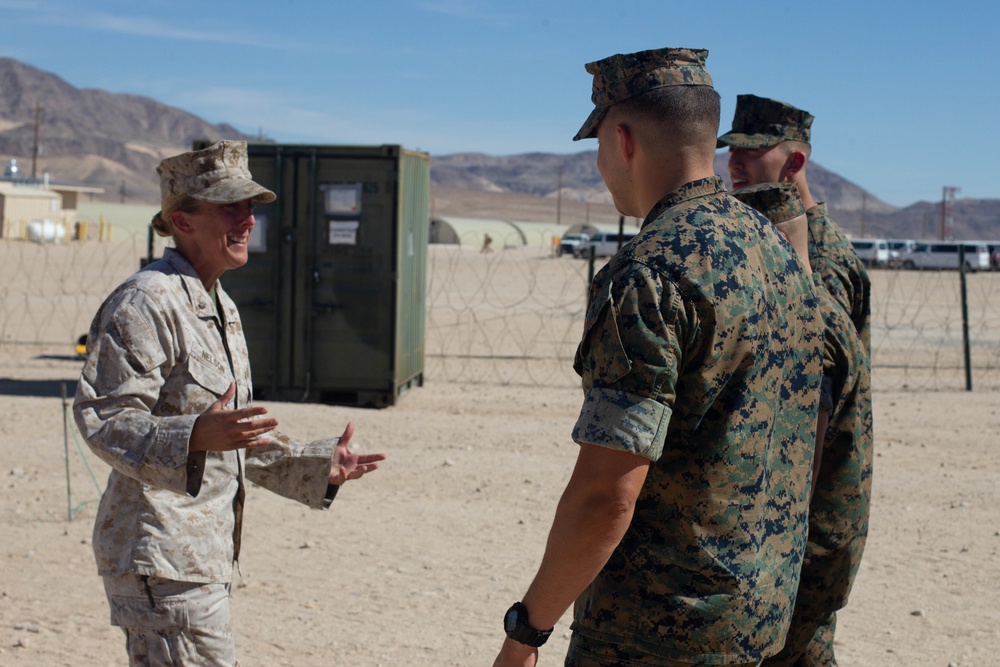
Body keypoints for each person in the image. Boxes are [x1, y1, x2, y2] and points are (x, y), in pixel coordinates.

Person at [492, 48, 822, 667]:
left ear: (621, 139)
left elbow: (606, 493)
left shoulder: (648, 274)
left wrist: (526, 631)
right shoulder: (776, 251)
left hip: (658, 633)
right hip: (759, 617)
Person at [73, 140, 385, 666]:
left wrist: (316, 465)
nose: (248, 220)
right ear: (183, 220)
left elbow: (233, 437)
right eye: (230, 207)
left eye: (251, 208)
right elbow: (103, 418)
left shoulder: (219, 305)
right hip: (161, 556)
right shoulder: (148, 302)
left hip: (198, 557)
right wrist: (191, 435)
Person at [733, 182, 873, 667]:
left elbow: (796, 476)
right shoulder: (817, 313)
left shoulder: (805, 325)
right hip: (816, 552)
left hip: (797, 562)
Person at [718, 95, 872, 352]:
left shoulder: (820, 257)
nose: (733, 163)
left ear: (794, 163)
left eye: (751, 149)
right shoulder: (767, 235)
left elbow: (822, 366)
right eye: (732, 150)